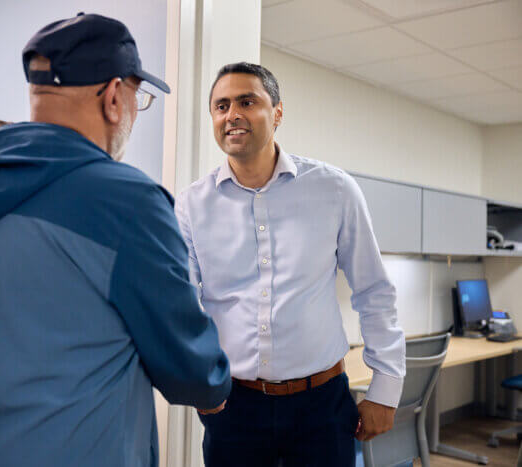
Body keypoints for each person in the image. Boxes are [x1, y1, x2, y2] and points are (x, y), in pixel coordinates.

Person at [0, 14, 230, 467]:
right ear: (113, 97)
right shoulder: (128, 204)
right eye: (137, 97)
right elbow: (192, 372)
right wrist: (215, 384)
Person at [174, 62, 405, 466]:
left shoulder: (334, 189)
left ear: (278, 112)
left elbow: (373, 291)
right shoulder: (191, 205)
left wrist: (385, 389)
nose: (232, 115)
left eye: (247, 101)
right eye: (221, 105)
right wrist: (198, 378)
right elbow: (183, 303)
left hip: (322, 405)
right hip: (234, 407)